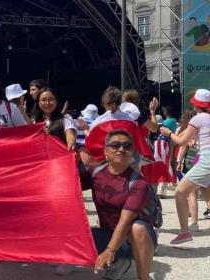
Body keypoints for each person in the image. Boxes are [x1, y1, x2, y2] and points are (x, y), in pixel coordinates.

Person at [81, 129, 156, 280]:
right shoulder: (96, 173)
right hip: (108, 233)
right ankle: (119, 262)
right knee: (77, 232)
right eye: (115, 145)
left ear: (132, 152)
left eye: (127, 146)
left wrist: (110, 250)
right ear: (106, 151)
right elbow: (69, 184)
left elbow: (126, 221)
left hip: (132, 239)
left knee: (138, 227)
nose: (121, 149)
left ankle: (144, 277)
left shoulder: (138, 182)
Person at [160, 89, 210, 244]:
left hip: (207, 160)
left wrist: (168, 133)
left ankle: (184, 232)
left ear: (196, 104)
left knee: (180, 192)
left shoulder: (198, 118)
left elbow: (180, 141)